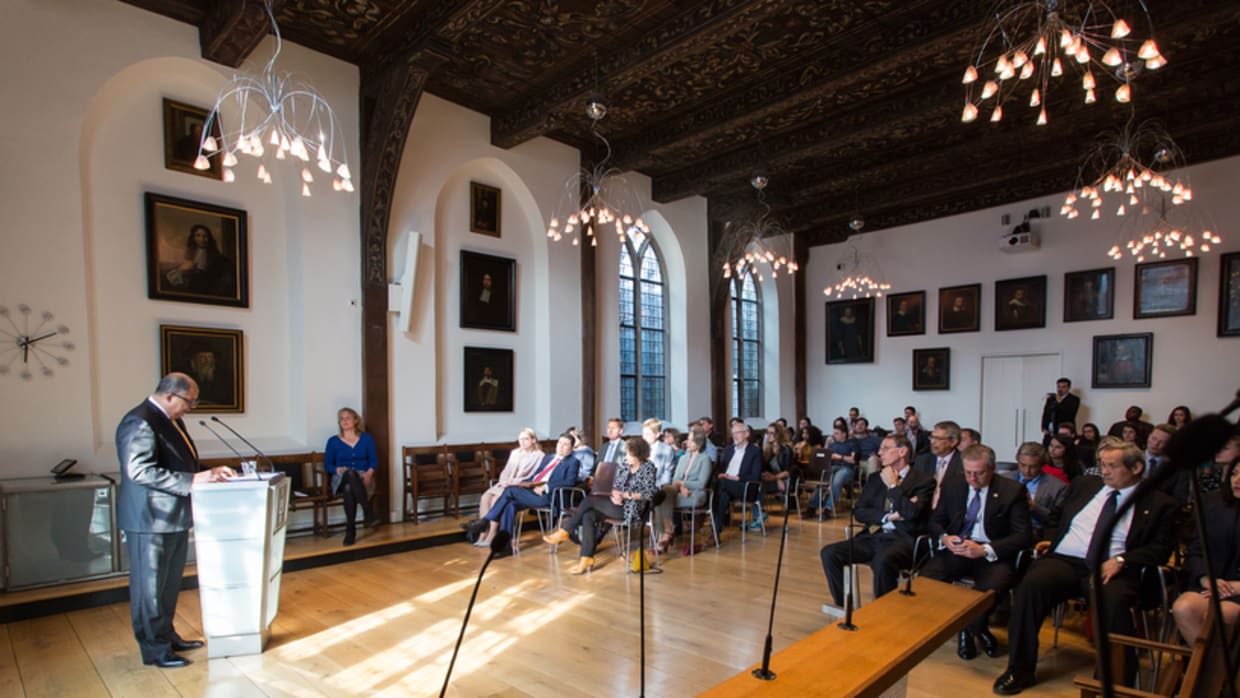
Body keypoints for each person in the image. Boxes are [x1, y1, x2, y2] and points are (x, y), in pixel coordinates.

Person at [993, 438, 1178, 695]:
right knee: (1030, 587)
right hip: (1067, 559)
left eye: (1113, 466)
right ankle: (1019, 670)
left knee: (1112, 603)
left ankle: (1110, 682)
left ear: (1136, 468)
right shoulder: (1085, 485)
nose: (1105, 471)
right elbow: (1057, 517)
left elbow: (1161, 548)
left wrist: (1124, 560)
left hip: (1113, 566)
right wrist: (1052, 536)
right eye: (1103, 464)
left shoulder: (1159, 502)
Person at [116, 373, 235, 668]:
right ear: (170, 395)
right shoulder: (140, 421)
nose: (190, 409)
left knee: (168, 586)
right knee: (149, 588)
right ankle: (155, 650)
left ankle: (167, 636)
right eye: (189, 402)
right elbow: (139, 471)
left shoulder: (173, 421)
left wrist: (211, 471)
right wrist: (194, 479)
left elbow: (183, 464)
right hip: (149, 519)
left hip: (174, 517)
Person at [923, 444, 1032, 660]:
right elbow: (935, 521)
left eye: (979, 473)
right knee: (927, 578)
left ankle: (969, 630)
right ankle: (974, 629)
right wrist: (945, 537)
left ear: (992, 469)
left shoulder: (1012, 491)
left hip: (992, 553)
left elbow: (1023, 536)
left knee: (988, 591)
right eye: (968, 473)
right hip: (958, 548)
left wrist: (984, 550)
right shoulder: (954, 484)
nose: (972, 479)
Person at [820, 434, 935, 615]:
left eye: (885, 448)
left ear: (902, 451)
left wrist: (893, 486)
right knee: (830, 553)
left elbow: (911, 514)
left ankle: (883, 612)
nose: (879, 453)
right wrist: (888, 517)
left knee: (883, 560)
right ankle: (845, 607)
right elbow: (859, 512)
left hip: (904, 539)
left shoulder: (923, 481)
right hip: (874, 534)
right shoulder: (875, 478)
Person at [543, 436, 657, 574]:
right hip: (616, 505)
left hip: (633, 509)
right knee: (588, 515)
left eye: (630, 454)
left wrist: (626, 496)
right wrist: (616, 495)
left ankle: (565, 530)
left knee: (590, 500)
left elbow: (650, 493)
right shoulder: (624, 465)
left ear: (639, 455)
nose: (626, 457)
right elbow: (616, 486)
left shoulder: (648, 468)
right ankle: (586, 558)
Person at [1171, 458, 1240, 645]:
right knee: (1184, 607)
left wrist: (1235, 587)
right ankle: (1212, 671)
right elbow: (1195, 550)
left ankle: (1209, 673)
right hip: (1213, 583)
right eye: (1234, 474)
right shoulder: (1213, 503)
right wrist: (1206, 579)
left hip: (1236, 588)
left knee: (1222, 614)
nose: (1237, 480)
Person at [474, 434, 579, 551]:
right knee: (509, 504)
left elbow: (570, 482)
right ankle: (505, 546)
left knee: (510, 490)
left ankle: (486, 520)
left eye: (565, 445)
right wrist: (524, 484)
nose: (561, 446)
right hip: (532, 492)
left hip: (549, 497)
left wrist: (546, 486)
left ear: (572, 448)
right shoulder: (548, 458)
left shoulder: (573, 462)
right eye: (559, 443)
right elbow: (535, 476)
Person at [324, 407, 379, 546]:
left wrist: (369, 473)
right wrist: (337, 469)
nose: (345, 421)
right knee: (349, 474)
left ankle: (350, 530)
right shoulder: (333, 441)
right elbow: (327, 465)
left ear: (355, 420)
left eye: (348, 418)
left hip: (363, 477)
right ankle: (368, 512)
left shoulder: (367, 439)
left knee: (349, 488)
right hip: (340, 477)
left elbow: (373, 460)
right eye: (342, 418)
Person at [652, 426, 713, 554]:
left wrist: (683, 484)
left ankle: (665, 535)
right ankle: (667, 533)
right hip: (680, 491)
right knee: (660, 496)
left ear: (699, 443)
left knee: (662, 500)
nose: (687, 443)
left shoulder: (705, 459)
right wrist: (681, 486)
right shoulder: (683, 458)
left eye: (691, 441)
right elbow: (675, 480)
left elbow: (701, 483)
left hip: (695, 494)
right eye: (687, 440)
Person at [1003, 442, 1067, 541]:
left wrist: (1032, 506)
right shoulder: (1004, 479)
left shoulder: (1057, 487)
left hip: (1036, 533)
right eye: (1023, 465)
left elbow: (1056, 520)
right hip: (1004, 530)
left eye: (1033, 466)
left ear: (1042, 465)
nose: (1027, 470)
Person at [712, 421, 764, 538]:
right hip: (726, 485)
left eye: (737, 433)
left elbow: (756, 476)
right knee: (723, 495)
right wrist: (721, 474)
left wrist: (736, 477)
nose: (734, 436)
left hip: (745, 486)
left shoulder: (755, 451)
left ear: (746, 434)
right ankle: (716, 532)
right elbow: (720, 469)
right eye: (733, 433)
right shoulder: (728, 450)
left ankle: (711, 519)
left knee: (719, 487)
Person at [477, 428, 543, 519]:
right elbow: (506, 470)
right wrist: (504, 481)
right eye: (520, 439)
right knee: (485, 497)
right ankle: (483, 530)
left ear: (533, 440)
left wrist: (511, 482)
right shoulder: (515, 453)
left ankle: (493, 531)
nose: (522, 442)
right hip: (505, 484)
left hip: (519, 486)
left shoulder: (539, 455)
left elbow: (531, 477)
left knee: (495, 500)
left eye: (526, 439)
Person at [164, 224, 234, 297]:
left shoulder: (215, 255)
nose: (202, 239)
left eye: (205, 236)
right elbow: (188, 265)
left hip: (206, 282)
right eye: (198, 235)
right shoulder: (191, 252)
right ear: (193, 237)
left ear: (209, 238)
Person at [749, 421, 793, 530]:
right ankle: (759, 515)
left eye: (771, 433)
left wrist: (777, 478)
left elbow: (788, 471)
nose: (768, 435)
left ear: (778, 434)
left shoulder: (786, 450)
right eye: (767, 433)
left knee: (759, 486)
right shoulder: (767, 450)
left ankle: (758, 516)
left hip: (786, 480)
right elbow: (764, 469)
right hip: (773, 479)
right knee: (755, 485)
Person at [912, 420, 964, 504]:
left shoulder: (964, 463)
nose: (932, 442)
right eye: (932, 437)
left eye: (938, 438)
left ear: (953, 442)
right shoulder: (922, 460)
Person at [1039, 378, 1080, 446]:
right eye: (1058, 386)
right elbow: (1046, 413)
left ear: (1068, 388)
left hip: (1064, 430)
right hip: (1050, 430)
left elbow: (1069, 414)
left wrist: (1059, 402)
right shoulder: (1051, 399)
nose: (1060, 389)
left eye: (1063, 387)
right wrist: (1044, 427)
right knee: (1046, 449)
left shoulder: (1074, 399)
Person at [644, 418, 676, 486]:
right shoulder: (639, 448)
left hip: (657, 489)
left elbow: (667, 476)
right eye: (643, 434)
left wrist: (651, 490)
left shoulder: (667, 450)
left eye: (648, 434)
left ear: (657, 434)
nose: (644, 437)